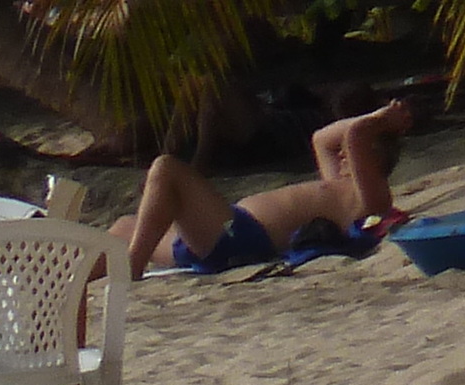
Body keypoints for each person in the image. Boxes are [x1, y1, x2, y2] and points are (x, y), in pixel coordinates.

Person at [117, 99, 411, 275]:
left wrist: (383, 120)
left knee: (166, 168)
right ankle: (73, 283)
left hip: (242, 238)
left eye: (352, 154)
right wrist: (375, 119)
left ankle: (130, 272)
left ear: (374, 159)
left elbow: (355, 136)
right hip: (219, 230)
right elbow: (322, 138)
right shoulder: (337, 183)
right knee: (123, 229)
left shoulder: (371, 197)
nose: (343, 155)